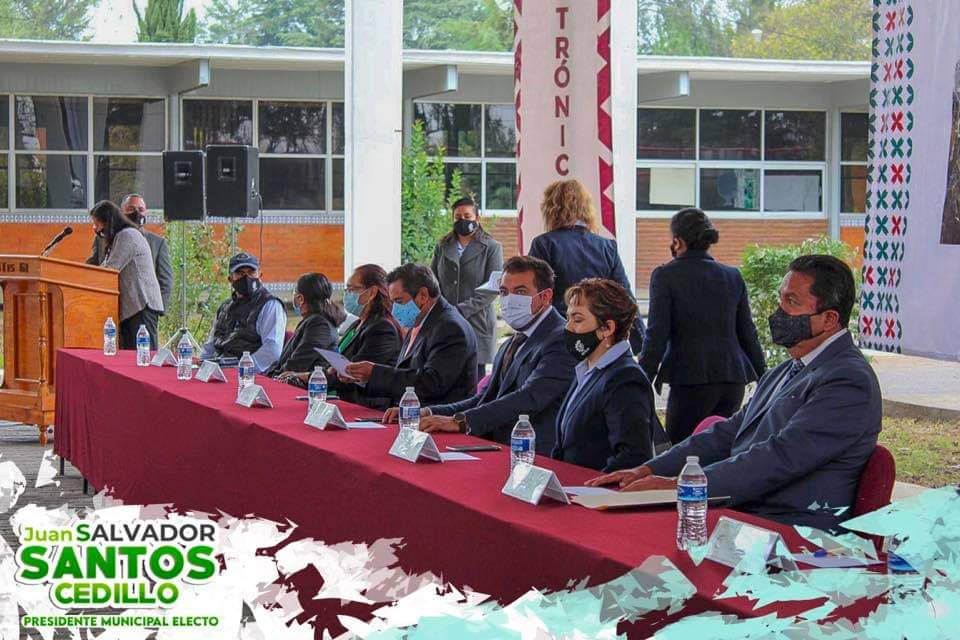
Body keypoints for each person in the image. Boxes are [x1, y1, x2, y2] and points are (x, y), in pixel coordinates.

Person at [587, 255, 881, 531]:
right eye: (780, 298)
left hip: (794, 530)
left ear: (829, 319)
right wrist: (648, 470)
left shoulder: (848, 380)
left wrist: (680, 485)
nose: (779, 311)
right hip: (746, 514)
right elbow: (728, 433)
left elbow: (779, 457)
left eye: (791, 302)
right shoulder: (786, 370)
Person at [399, 256, 576, 455]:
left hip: (536, 453)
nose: (509, 300)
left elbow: (529, 397)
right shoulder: (512, 342)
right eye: (504, 292)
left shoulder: (560, 339)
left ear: (545, 296)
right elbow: (485, 397)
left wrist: (462, 421)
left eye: (520, 292)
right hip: (498, 446)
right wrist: (430, 412)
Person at [639, 208, 766, 444]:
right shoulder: (732, 276)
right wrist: (765, 377)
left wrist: (642, 377)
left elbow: (656, 335)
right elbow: (747, 333)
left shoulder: (665, 276)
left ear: (677, 241)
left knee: (682, 451)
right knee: (721, 448)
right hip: (732, 380)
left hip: (690, 380)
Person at [551, 278, 660, 472]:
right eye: (568, 318)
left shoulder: (625, 378)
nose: (568, 327)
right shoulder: (588, 369)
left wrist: (589, 486)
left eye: (577, 319)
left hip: (592, 488)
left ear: (607, 328)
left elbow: (632, 457)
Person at [528, 178, 646, 352]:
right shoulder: (607, 247)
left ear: (551, 209)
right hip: (598, 337)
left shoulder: (544, 244)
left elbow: (535, 296)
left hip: (558, 337)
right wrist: (641, 345)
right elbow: (625, 297)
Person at [344, 263, 478, 406]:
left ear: (423, 295)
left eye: (399, 301)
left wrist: (374, 373)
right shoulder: (419, 321)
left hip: (436, 415)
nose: (395, 310)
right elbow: (405, 375)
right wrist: (364, 377)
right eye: (392, 302)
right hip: (408, 412)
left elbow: (431, 383)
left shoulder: (450, 327)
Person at [431, 196, 504, 381]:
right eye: (457, 217)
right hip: (445, 321)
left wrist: (460, 310)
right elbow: (433, 281)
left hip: (477, 322)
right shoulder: (442, 246)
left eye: (467, 216)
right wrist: (443, 309)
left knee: (474, 379)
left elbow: (493, 288)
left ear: (477, 218)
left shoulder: (492, 247)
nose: (462, 220)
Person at [89, 200, 164, 349]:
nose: (96, 228)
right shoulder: (120, 236)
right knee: (132, 357)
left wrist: (85, 278)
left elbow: (110, 269)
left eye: (97, 224)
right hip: (133, 308)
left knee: (143, 356)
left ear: (108, 221)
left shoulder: (128, 235)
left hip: (142, 305)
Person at [325, 264, 402, 409]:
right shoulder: (357, 324)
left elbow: (354, 371)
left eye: (352, 289)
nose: (347, 295)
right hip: (346, 400)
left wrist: (312, 378)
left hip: (367, 406)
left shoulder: (382, 328)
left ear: (372, 292)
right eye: (346, 290)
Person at [199, 252, 285, 373]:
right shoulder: (225, 307)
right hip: (220, 370)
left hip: (248, 375)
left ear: (260, 275)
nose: (246, 277)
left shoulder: (270, 305)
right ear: (230, 278)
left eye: (251, 272)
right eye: (240, 273)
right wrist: (201, 367)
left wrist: (242, 369)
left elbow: (272, 351)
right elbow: (211, 344)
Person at [87, 193, 173, 312]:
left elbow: (165, 281)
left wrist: (157, 310)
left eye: (141, 209)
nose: (136, 213)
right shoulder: (107, 237)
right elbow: (93, 265)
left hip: (141, 306)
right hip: (120, 307)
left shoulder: (132, 236)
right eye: (131, 209)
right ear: (121, 212)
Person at [267, 273, 346, 385]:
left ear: (301, 298)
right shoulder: (313, 320)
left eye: (295, 292)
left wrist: (272, 378)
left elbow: (297, 364)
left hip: (309, 389)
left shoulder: (319, 324)